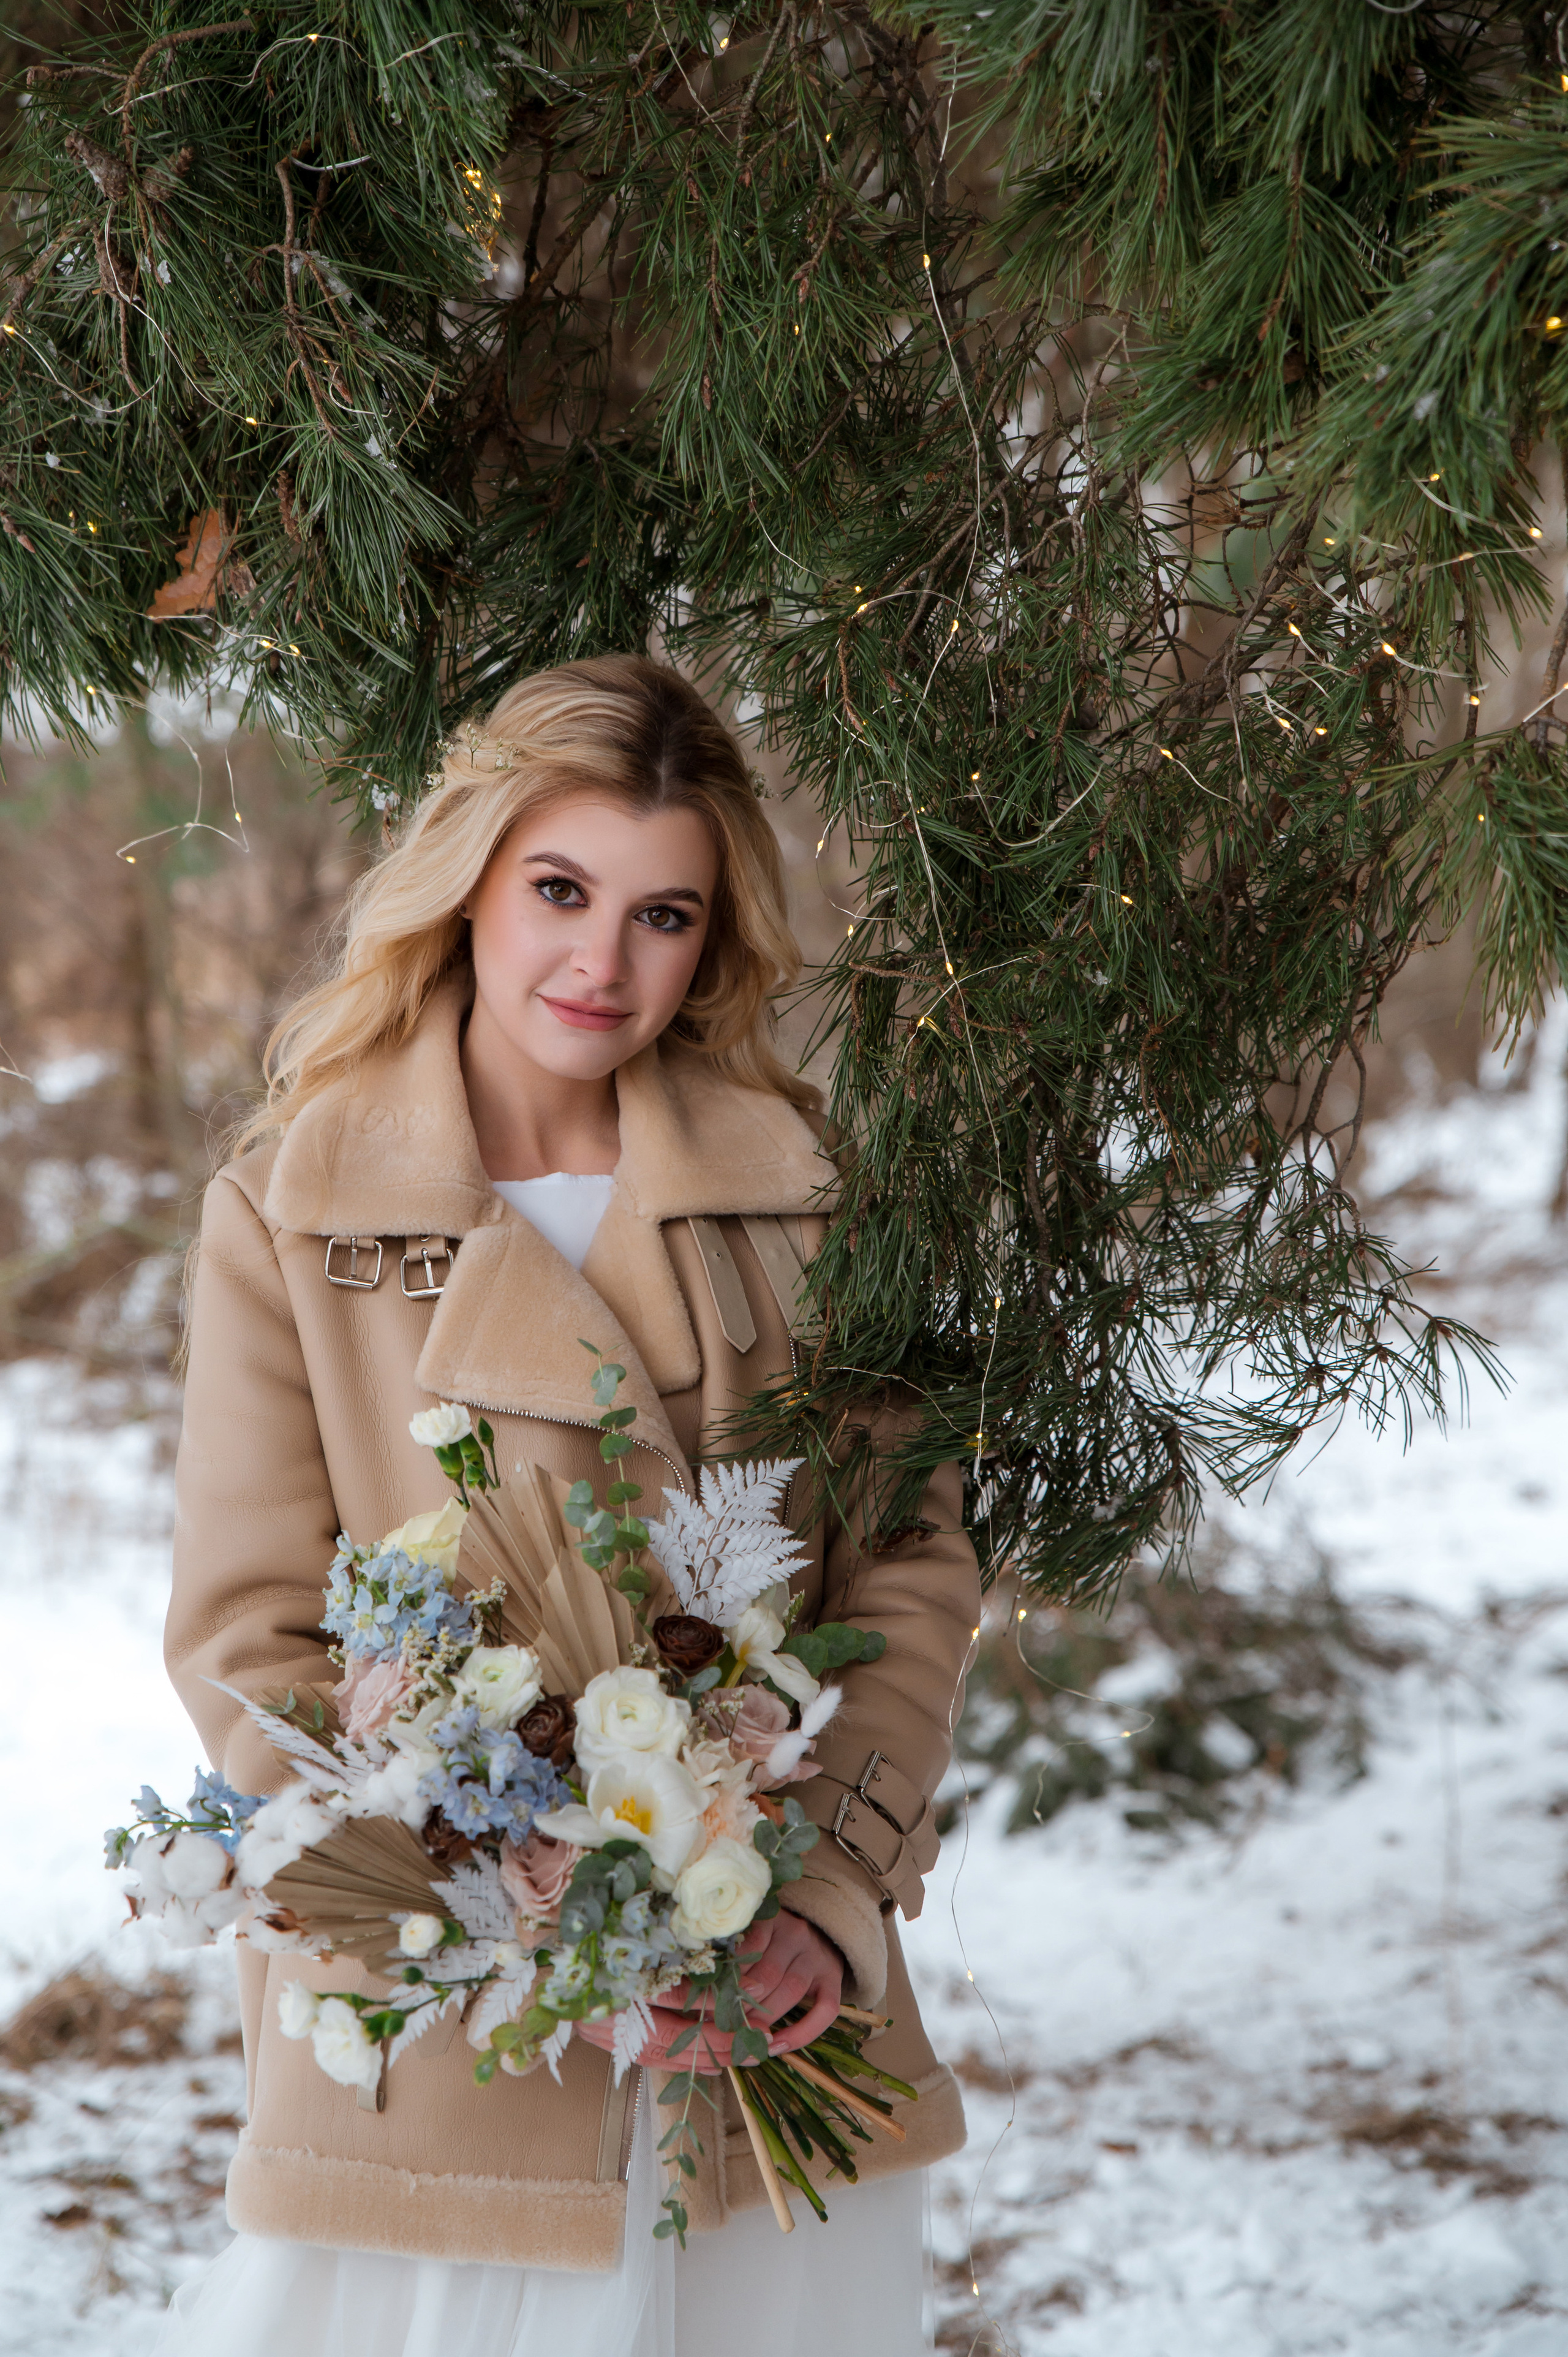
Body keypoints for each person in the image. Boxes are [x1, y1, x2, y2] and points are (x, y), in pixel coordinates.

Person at [156, 654, 979, 2357]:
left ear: (715, 937)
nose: (603, 963)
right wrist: (533, 1920)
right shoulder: (289, 1209)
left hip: (767, 2020)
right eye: (559, 890)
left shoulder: (811, 1200)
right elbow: (252, 1638)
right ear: (467, 879)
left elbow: (907, 1567)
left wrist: (824, 1895)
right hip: (448, 2044)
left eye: (664, 915)